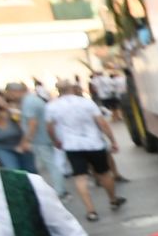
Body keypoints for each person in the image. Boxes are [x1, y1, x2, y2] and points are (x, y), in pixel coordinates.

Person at [46, 80, 120, 221]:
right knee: (104, 173)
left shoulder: (52, 106)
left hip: (72, 145)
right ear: (72, 88)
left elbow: (49, 127)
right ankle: (113, 200)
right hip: (94, 143)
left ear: (58, 90)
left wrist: (56, 141)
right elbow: (102, 123)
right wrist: (112, 141)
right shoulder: (86, 103)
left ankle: (91, 210)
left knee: (80, 177)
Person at [18, 80, 69, 199]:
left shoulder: (29, 102)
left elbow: (32, 123)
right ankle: (60, 189)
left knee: (51, 164)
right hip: (43, 137)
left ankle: (59, 191)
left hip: (40, 139)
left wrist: (26, 140)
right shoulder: (32, 100)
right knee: (51, 163)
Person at [0, 93, 32, 173]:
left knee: (30, 170)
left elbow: (24, 129)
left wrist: (24, 143)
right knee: (13, 170)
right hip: (3, 148)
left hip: (21, 144)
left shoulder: (13, 114)